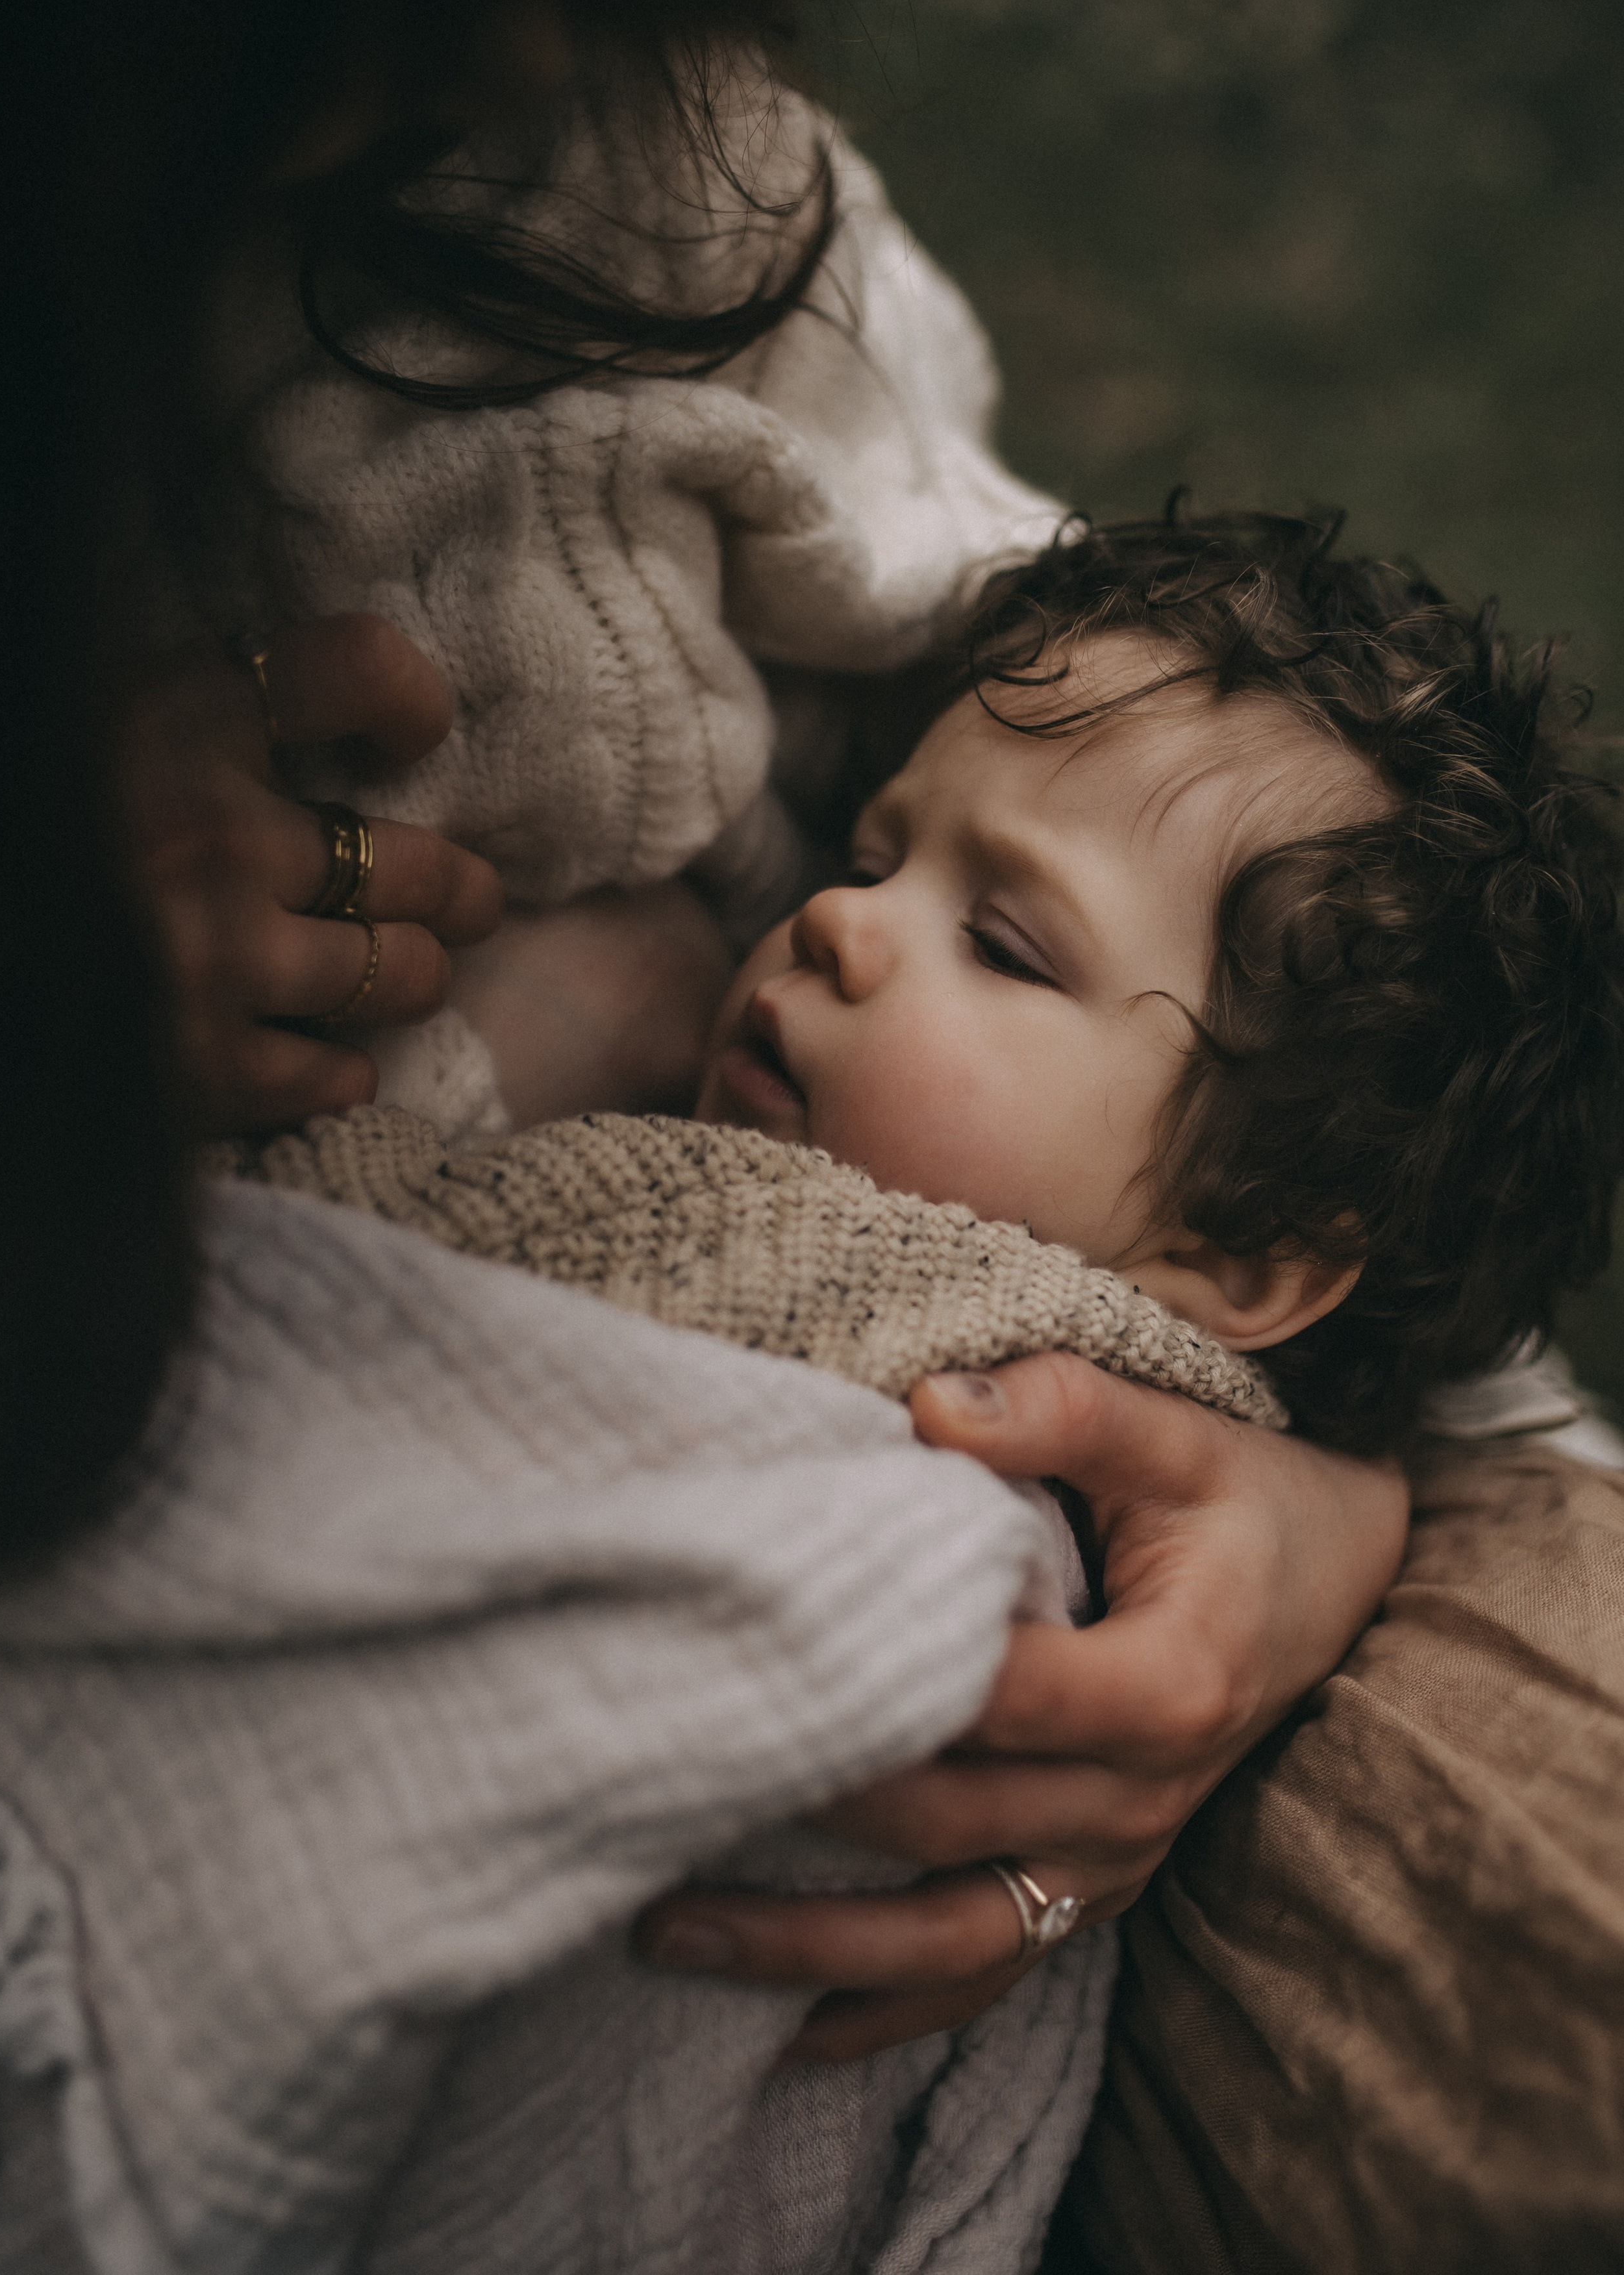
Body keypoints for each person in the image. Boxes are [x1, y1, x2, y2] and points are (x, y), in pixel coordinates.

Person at [194, 503, 1622, 2272]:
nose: (839, 925)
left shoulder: (969, 1454)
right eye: (878, 857)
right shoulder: (698, 1204)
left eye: (1006, 947)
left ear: (1247, 1265)